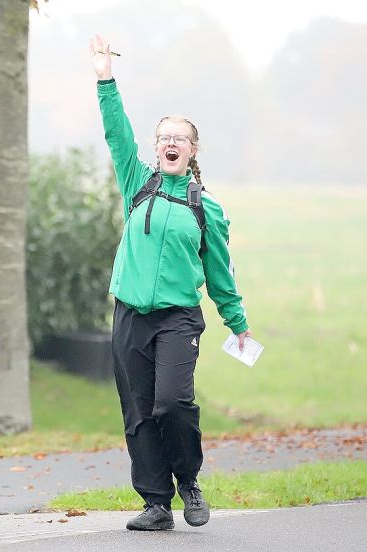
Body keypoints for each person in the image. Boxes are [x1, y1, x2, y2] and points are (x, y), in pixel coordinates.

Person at [89, 34, 252, 532]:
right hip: (130, 316)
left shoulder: (208, 209)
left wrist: (238, 324)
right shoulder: (138, 183)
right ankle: (156, 503)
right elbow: (117, 133)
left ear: (193, 149)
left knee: (173, 402)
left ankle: (189, 482)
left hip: (179, 318)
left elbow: (221, 274)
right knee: (138, 412)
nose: (171, 142)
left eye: (180, 137)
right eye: (164, 136)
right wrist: (105, 80)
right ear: (156, 147)